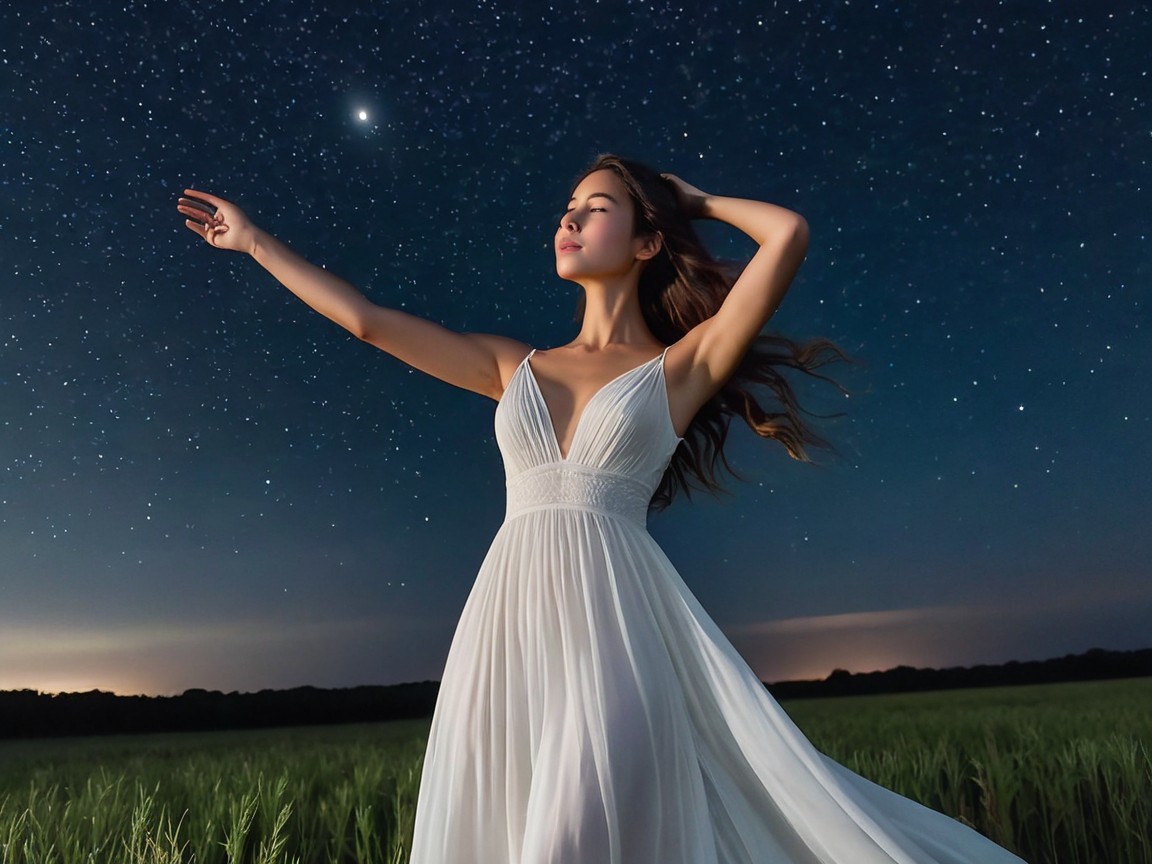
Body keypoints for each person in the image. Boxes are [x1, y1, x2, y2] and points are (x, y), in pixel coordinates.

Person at [177, 155, 1025, 863]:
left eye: (597, 208)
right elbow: (366, 322)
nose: (568, 221)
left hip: (620, 628)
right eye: (566, 209)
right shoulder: (515, 364)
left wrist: (695, 200)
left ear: (649, 240)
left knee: (567, 837)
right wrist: (253, 242)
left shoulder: (683, 367)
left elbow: (788, 235)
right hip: (508, 631)